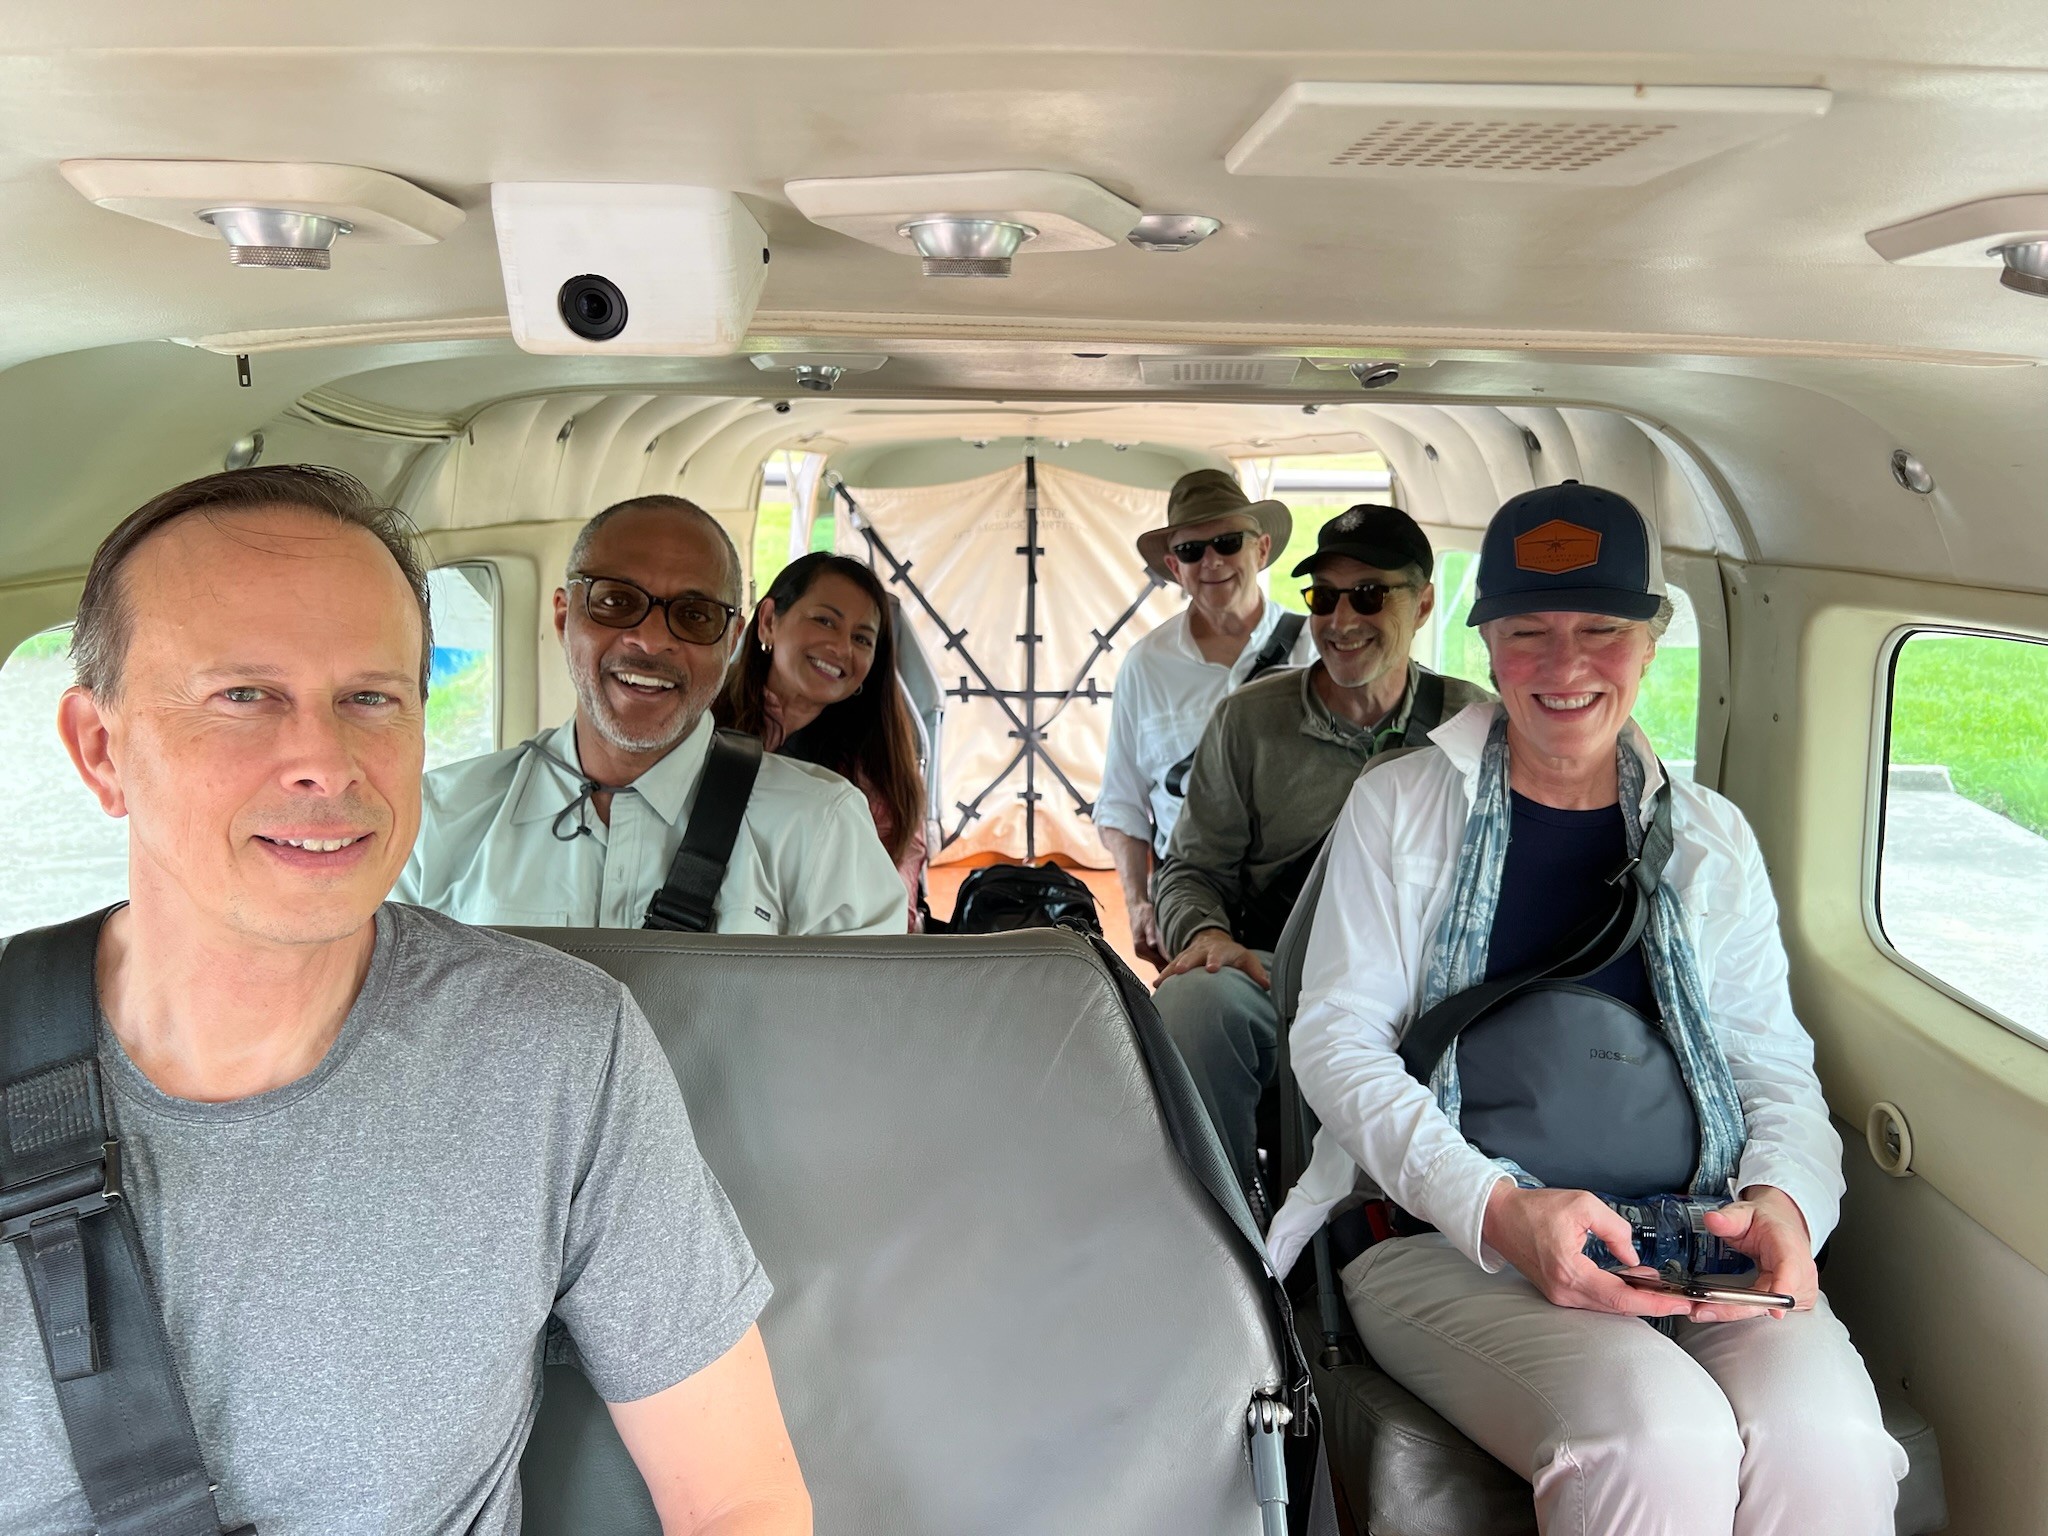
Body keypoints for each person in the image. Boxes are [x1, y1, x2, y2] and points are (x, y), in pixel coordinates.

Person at [9, 465, 809, 1534]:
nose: (323, 760)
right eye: (244, 695)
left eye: (371, 697)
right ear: (100, 748)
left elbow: (739, 1501)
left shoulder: (559, 1053)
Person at [1266, 483, 1904, 1534]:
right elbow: (1337, 1046)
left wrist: (1784, 1208)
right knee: (1653, 1441)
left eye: (1600, 631)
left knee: (1829, 1448)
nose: (1564, 668)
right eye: (1527, 633)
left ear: (1648, 642)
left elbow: (1769, 1069)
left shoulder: (1708, 838)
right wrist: (1498, 1212)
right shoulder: (1397, 808)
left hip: (1693, 1233)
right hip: (1442, 1233)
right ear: (1486, 643)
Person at [1151, 505, 1489, 1194]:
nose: (1341, 621)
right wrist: (1209, 933)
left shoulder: (1473, 727)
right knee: (1194, 1005)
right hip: (1282, 978)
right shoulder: (1249, 720)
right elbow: (1190, 869)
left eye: (1369, 595)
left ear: (1423, 603)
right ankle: (1220, 1223)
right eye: (1324, 598)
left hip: (1427, 993)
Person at [399, 495, 904, 935]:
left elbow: (864, 1035)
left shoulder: (821, 830)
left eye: (695, 615)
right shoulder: (437, 823)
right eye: (616, 601)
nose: (652, 639)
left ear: (732, 641)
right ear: (562, 615)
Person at [1095, 468, 1314, 965]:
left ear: (1259, 550)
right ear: (1175, 567)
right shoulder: (1145, 666)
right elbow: (1123, 803)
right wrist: (1138, 903)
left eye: (1228, 542)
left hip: (1302, 888)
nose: (1212, 561)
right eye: (1193, 551)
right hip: (1189, 889)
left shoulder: (1318, 651)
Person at [715, 552, 928, 930]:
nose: (842, 648)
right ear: (768, 622)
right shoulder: (700, 721)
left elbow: (892, 914)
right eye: (825, 621)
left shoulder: (879, 770)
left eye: (861, 638)